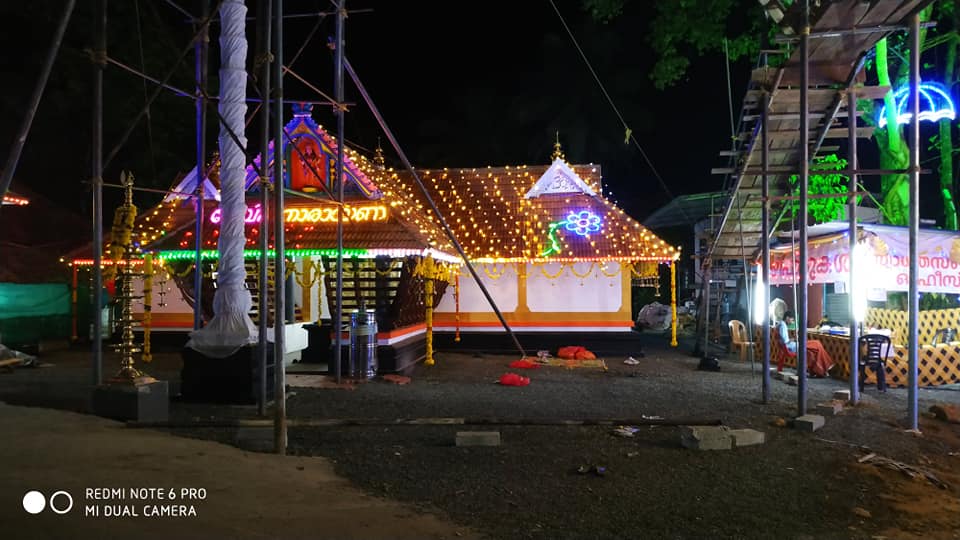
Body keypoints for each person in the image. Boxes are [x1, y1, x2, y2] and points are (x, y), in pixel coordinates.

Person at [778, 311, 834, 377]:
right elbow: (785, 341)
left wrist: (793, 339)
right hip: (792, 347)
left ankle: (820, 370)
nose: (792, 322)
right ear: (787, 318)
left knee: (813, 351)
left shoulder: (781, 324)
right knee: (817, 343)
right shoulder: (783, 325)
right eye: (792, 320)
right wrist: (794, 339)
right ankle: (827, 365)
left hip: (792, 345)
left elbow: (784, 340)